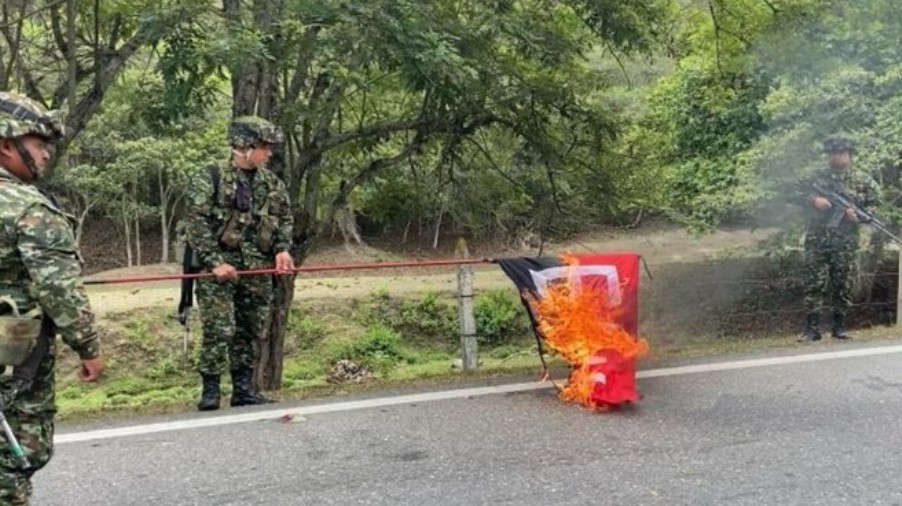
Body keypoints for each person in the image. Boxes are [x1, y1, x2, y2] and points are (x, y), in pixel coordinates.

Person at [0, 91, 104, 504]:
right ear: (7, 144)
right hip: (12, 355)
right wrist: (89, 347)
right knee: (13, 452)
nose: (45, 156)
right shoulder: (29, 209)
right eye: (39, 145)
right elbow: (59, 288)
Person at [184, 116, 294, 411]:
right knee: (220, 329)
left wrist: (282, 249)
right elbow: (196, 224)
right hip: (218, 268)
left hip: (256, 267)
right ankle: (210, 391)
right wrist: (214, 261)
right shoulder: (210, 176)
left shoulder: (272, 183)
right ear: (244, 146)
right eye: (263, 147)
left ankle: (243, 389)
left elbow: (284, 218)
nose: (269, 153)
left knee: (250, 328)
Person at [797, 134, 882, 342]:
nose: (836, 157)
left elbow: (874, 206)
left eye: (841, 153)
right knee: (814, 283)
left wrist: (858, 217)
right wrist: (814, 200)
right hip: (817, 239)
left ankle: (839, 327)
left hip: (845, 242)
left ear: (849, 154)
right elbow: (794, 193)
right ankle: (812, 329)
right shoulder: (816, 177)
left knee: (842, 283)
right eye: (832, 153)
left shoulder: (863, 180)